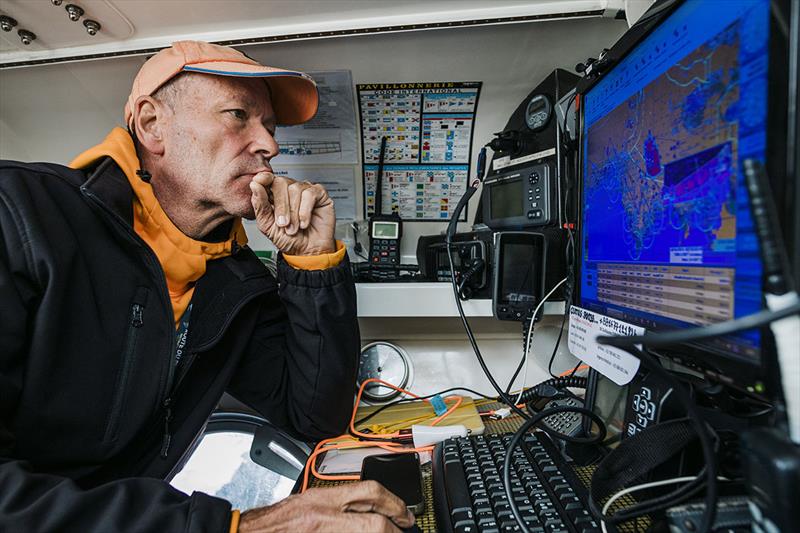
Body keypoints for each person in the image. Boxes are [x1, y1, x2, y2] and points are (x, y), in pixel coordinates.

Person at [0, 41, 414, 532]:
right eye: (238, 115)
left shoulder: (233, 279)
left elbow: (315, 419)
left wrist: (312, 264)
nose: (270, 146)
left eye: (271, 127)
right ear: (153, 126)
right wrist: (239, 527)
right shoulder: (19, 215)